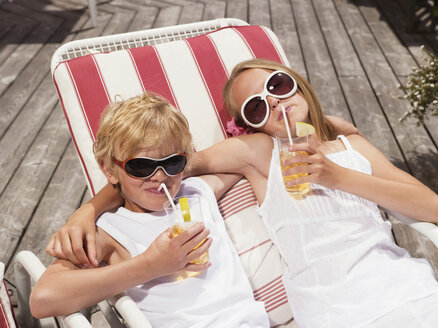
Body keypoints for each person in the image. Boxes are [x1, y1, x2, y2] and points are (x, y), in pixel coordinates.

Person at [47, 58, 438, 327]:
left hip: (410, 287)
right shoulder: (257, 153)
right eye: (256, 108)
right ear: (248, 126)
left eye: (278, 86)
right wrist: (88, 210)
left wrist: (338, 172)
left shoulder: (354, 149)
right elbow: (158, 170)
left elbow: (432, 207)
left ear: (296, 82)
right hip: (337, 310)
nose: (275, 103)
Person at [30, 92, 270, 327]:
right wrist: (150, 265)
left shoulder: (196, 193)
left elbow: (257, 147)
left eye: (172, 161)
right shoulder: (111, 231)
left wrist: (183, 168)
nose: (159, 176)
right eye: (141, 166)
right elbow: (43, 299)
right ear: (109, 169)